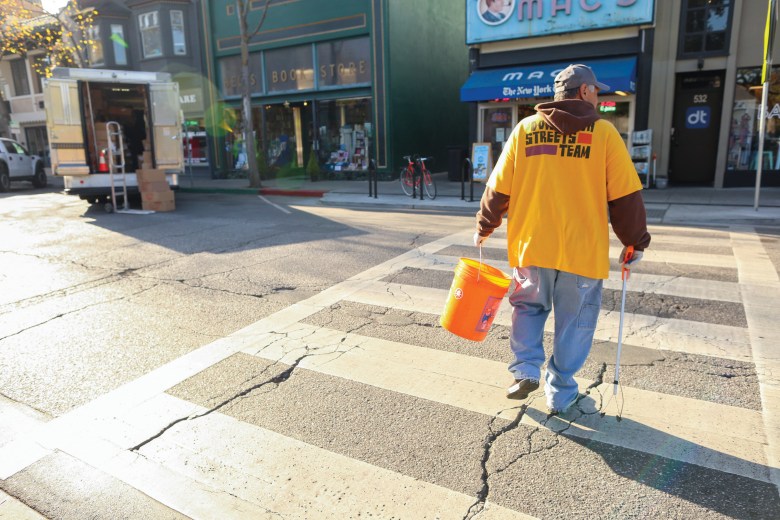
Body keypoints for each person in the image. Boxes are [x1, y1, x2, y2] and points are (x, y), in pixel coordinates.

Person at [474, 64, 651, 414]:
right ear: (584, 92)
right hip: (581, 252)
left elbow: (498, 188)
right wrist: (635, 242)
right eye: (595, 90)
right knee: (576, 322)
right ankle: (561, 390)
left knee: (528, 307)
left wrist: (485, 224)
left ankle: (525, 368)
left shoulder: (525, 130)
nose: (598, 96)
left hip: (532, 245)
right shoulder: (604, 134)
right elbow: (625, 198)